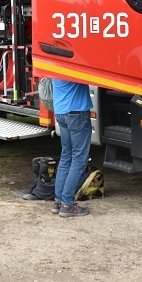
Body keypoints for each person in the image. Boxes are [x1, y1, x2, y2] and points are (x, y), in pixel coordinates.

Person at [50, 78, 92, 217]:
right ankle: (67, 204)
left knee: (66, 157)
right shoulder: (72, 67)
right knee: (78, 160)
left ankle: (58, 202)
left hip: (61, 112)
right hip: (76, 113)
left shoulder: (55, 65)